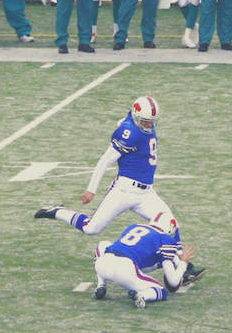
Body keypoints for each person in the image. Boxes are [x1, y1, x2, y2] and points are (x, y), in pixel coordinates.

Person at [35, 97, 175, 235]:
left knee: (170, 222)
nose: (149, 126)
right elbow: (105, 160)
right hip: (125, 190)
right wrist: (91, 189)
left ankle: (179, 257)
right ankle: (57, 212)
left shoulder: (136, 124)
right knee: (91, 228)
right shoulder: (130, 133)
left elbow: (123, 121)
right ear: (136, 117)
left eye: (152, 122)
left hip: (146, 193)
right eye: (145, 122)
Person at [91, 215, 196, 308]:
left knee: (103, 244)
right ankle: (141, 296)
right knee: (161, 291)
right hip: (125, 270)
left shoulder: (134, 226)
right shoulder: (165, 239)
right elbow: (173, 282)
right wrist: (183, 262)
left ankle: (101, 285)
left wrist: (157, 264)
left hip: (102, 264)